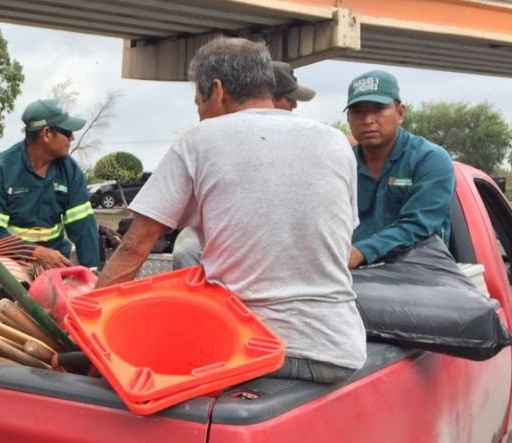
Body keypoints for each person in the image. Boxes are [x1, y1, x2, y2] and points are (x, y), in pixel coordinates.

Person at [97, 37, 366, 383]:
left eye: (199, 101)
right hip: (339, 352)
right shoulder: (336, 142)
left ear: (218, 90)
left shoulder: (200, 140)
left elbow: (136, 246)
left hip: (248, 355)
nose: (198, 112)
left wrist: (87, 324)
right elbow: (338, 239)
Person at [169, 60, 317, 269]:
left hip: (281, 228)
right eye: (290, 99)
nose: (295, 106)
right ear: (267, 98)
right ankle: (201, 300)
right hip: (230, 226)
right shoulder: (214, 141)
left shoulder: (308, 140)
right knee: (188, 248)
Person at [345, 70, 455, 268]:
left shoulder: (430, 159)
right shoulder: (342, 164)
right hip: (351, 277)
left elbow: (417, 225)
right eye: (358, 111)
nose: (368, 120)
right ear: (348, 119)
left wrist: (361, 252)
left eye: (378, 109)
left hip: (419, 277)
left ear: (400, 113)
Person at [0, 98, 100, 270]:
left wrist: (92, 272)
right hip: (12, 261)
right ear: (47, 133)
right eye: (67, 131)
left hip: (56, 259)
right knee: (14, 289)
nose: (71, 137)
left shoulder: (70, 170)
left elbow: (83, 226)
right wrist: (36, 253)